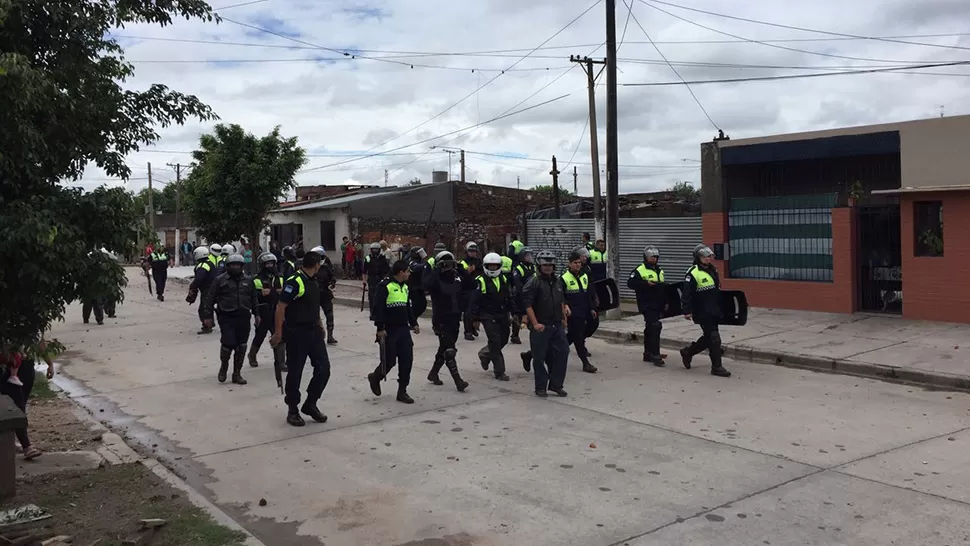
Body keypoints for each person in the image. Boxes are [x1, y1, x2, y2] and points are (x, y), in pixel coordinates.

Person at [271, 251, 331, 427]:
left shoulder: (313, 281)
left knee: (324, 369)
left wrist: (320, 324)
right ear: (316, 265)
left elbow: (313, 305)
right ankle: (293, 409)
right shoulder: (295, 281)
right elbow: (280, 308)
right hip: (297, 333)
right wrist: (278, 333)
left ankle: (310, 404)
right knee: (295, 371)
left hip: (314, 333)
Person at [201, 254, 259, 385]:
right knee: (228, 344)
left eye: (238, 265)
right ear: (227, 266)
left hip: (244, 317)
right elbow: (209, 299)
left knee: (242, 346)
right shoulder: (219, 280)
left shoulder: (248, 280)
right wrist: (208, 316)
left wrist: (257, 315)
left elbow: (254, 298)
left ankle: (237, 373)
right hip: (226, 317)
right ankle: (224, 367)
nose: (235, 267)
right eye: (232, 265)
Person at [368, 260, 420, 404]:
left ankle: (402, 391)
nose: (409, 274)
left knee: (407, 360)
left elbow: (408, 306)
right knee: (389, 361)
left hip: (403, 329)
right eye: (408, 271)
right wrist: (380, 328)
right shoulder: (385, 286)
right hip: (389, 330)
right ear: (401, 272)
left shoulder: (405, 287)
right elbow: (378, 308)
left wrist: (414, 322)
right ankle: (375, 377)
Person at [522, 250, 569, 397]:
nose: (548, 267)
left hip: (556, 325)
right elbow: (528, 305)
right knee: (539, 358)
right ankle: (540, 387)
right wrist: (535, 324)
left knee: (563, 353)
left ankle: (556, 385)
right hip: (541, 326)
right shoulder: (533, 282)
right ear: (539, 265)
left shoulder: (558, 281)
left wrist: (564, 319)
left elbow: (561, 301)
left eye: (550, 264)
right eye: (545, 264)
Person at [680, 245, 731, 378]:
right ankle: (717, 367)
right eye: (705, 256)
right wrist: (686, 310)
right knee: (714, 338)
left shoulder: (712, 269)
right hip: (701, 310)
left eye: (709, 256)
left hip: (713, 309)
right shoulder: (693, 272)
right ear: (698, 258)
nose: (709, 259)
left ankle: (688, 352)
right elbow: (686, 294)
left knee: (709, 337)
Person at [422, 251, 469, 391]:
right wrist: (437, 270)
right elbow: (425, 285)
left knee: (444, 348)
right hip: (441, 320)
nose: (448, 267)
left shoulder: (457, 278)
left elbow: (471, 285)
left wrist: (461, 269)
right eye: (445, 264)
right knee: (449, 350)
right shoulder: (436, 279)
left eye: (450, 263)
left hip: (455, 318)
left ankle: (433, 373)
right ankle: (458, 381)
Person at [469, 252, 514, 381]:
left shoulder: (504, 279)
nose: (493, 269)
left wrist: (514, 312)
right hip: (487, 315)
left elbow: (509, 297)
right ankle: (499, 371)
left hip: (502, 313)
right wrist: (474, 319)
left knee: (504, 339)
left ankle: (485, 354)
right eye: (490, 266)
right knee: (495, 341)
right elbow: (474, 302)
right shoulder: (480, 281)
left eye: (495, 266)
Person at [627, 245, 667, 367]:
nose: (654, 259)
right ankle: (655, 355)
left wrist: (666, 302)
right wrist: (646, 284)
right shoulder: (639, 270)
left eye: (656, 257)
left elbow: (663, 287)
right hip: (646, 303)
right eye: (652, 257)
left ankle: (648, 353)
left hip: (658, 303)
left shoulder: (660, 270)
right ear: (646, 257)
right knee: (655, 326)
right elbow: (630, 283)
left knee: (650, 328)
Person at [562, 251, 599, 374]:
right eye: (575, 263)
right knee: (577, 338)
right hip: (573, 313)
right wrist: (566, 306)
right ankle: (585, 363)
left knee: (568, 339)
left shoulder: (584, 276)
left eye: (579, 262)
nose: (578, 265)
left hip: (584, 310)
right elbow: (560, 296)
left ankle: (531, 355)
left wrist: (592, 308)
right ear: (569, 264)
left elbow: (587, 294)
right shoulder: (563, 278)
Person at [248, 252, 283, 367]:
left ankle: (280, 361)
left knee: (278, 334)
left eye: (271, 263)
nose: (270, 266)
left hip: (276, 310)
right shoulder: (256, 279)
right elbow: (253, 297)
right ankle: (252, 355)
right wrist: (256, 313)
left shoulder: (280, 278)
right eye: (267, 264)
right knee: (260, 335)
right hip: (263, 311)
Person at [309, 246, 338, 345]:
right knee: (313, 316)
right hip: (313, 295)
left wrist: (332, 283)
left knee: (329, 315)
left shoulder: (325, 267)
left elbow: (332, 277)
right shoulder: (310, 269)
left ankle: (330, 336)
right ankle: (316, 336)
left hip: (325, 294)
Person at [188, 246, 216, 335]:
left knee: (203, 309)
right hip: (212, 288)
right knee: (208, 307)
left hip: (207, 289)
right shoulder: (210, 263)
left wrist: (192, 286)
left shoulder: (203, 265)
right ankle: (210, 323)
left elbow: (199, 279)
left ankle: (207, 326)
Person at [509, 247, 535, 345]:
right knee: (518, 316)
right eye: (527, 256)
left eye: (530, 256)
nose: (529, 258)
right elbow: (517, 283)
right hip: (520, 296)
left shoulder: (533, 267)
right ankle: (514, 335)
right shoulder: (518, 268)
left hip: (532, 295)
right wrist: (523, 293)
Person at [458, 241, 481, 341]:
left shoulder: (478, 261)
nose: (473, 253)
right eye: (471, 251)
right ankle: (468, 332)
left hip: (477, 288)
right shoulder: (463, 263)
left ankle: (472, 327)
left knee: (475, 310)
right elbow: (460, 277)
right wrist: (468, 272)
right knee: (468, 311)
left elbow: (482, 272)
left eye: (474, 251)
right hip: (467, 290)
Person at [363, 242, 390, 320]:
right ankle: (373, 313)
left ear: (379, 250)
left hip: (381, 279)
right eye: (373, 249)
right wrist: (364, 280)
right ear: (371, 250)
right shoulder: (368, 258)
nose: (375, 251)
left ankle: (381, 313)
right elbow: (364, 271)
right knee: (372, 297)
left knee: (381, 296)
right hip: (371, 279)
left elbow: (387, 270)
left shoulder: (382, 258)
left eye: (376, 249)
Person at [407, 247, 429, 321]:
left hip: (420, 287)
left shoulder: (421, 262)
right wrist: (426, 264)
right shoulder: (412, 262)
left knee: (422, 305)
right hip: (413, 288)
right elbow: (415, 268)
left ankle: (413, 319)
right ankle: (411, 321)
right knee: (415, 305)